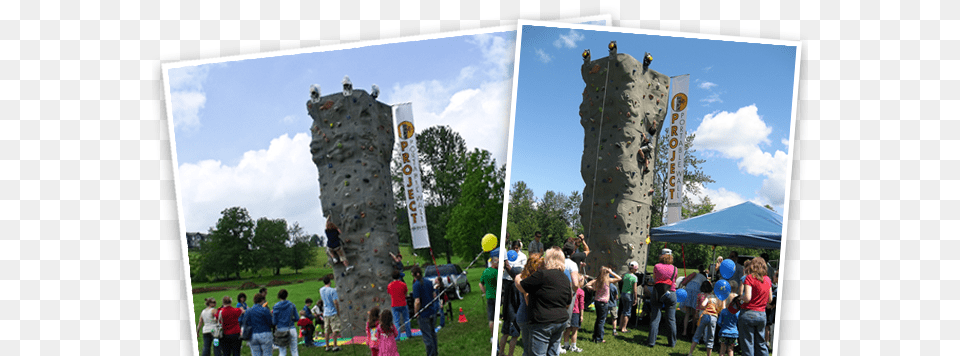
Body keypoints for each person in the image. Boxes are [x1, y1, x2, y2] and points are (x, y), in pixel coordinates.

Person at [516, 247, 572, 356]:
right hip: (561, 321)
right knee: (552, 353)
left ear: (548, 259)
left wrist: (518, 278)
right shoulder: (565, 278)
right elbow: (568, 301)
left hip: (543, 322)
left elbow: (522, 287)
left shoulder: (542, 274)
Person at [505, 252, 542, 356]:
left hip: (525, 315)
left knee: (530, 347)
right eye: (539, 265)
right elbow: (527, 299)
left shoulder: (525, 276)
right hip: (526, 315)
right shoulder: (525, 278)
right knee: (529, 348)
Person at [738, 257, 773, 356]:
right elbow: (770, 300)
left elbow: (748, 297)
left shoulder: (750, 277)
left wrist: (741, 298)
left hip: (748, 313)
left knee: (748, 344)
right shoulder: (768, 279)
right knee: (761, 344)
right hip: (762, 314)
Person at [647, 249, 679, 348]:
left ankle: (651, 342)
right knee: (671, 319)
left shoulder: (657, 266)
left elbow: (655, 279)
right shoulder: (675, 268)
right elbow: (675, 279)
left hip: (658, 293)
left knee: (655, 318)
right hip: (671, 292)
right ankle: (672, 342)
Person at [586, 266, 621, 343]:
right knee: (601, 321)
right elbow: (619, 278)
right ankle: (599, 338)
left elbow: (587, 284)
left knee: (598, 319)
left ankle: (595, 336)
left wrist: (593, 289)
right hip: (603, 302)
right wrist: (611, 272)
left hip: (597, 301)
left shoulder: (597, 280)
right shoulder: (607, 280)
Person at [412, 265, 439, 356]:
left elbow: (417, 301)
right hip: (432, 311)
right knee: (432, 334)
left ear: (413, 275)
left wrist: (416, 312)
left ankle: (431, 354)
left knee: (427, 337)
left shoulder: (416, 285)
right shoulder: (429, 282)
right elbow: (434, 295)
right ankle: (435, 353)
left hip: (423, 314)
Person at [559, 242, 581, 353]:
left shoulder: (558, 262)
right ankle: (559, 344)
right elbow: (576, 284)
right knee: (565, 319)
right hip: (568, 294)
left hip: (556, 292)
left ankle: (559, 344)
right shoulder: (572, 265)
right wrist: (574, 291)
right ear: (573, 252)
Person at [688, 280, 719, 356]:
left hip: (704, 314)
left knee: (698, 333)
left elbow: (701, 305)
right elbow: (720, 309)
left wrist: (697, 312)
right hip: (714, 317)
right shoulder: (718, 299)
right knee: (710, 336)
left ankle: (690, 353)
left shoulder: (705, 296)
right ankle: (708, 353)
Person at [679, 265, 709, 336]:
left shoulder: (695, 274)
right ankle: (693, 330)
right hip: (696, 291)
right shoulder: (704, 278)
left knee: (687, 313)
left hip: (688, 289)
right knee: (694, 312)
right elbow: (706, 286)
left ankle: (684, 331)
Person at [386, 270, 413, 339]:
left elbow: (390, 294)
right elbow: (406, 294)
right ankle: (409, 334)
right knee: (406, 319)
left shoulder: (389, 285)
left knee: (396, 321)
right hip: (403, 303)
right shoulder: (403, 284)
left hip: (394, 304)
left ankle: (397, 336)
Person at [320, 275, 343, 352]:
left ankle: (327, 346)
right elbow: (335, 302)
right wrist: (338, 310)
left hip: (325, 312)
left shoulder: (321, 290)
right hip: (332, 312)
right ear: (330, 282)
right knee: (334, 329)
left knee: (326, 330)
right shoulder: (332, 290)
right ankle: (335, 345)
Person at [272, 289, 299, 356]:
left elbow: (274, 322)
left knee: (282, 351)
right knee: (294, 350)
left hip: (281, 329)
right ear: (287, 295)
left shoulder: (276, 306)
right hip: (291, 328)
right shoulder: (292, 305)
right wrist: (291, 320)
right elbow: (297, 318)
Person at [718, 281, 741, 356]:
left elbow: (719, 322)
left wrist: (723, 326)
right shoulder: (737, 312)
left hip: (724, 332)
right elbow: (738, 321)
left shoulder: (723, 311)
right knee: (731, 350)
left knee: (722, 349)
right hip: (733, 333)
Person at [481, 249, 500, 333]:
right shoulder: (496, 272)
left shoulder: (485, 271)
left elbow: (480, 284)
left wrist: (484, 292)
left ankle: (493, 336)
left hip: (489, 296)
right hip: (496, 296)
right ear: (493, 262)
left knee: (491, 318)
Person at [564, 274, 585, 353]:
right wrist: (582, 315)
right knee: (575, 330)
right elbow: (581, 304)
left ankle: (566, 344)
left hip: (568, 311)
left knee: (567, 329)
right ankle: (573, 346)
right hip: (576, 312)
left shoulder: (570, 289)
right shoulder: (581, 292)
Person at [618, 261, 640, 334]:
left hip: (623, 294)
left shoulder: (625, 275)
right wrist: (636, 298)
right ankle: (624, 328)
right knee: (627, 312)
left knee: (623, 311)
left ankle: (620, 326)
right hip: (629, 295)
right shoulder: (634, 277)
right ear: (634, 269)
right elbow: (635, 289)